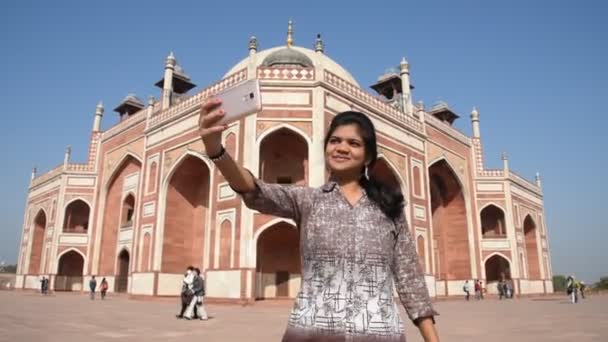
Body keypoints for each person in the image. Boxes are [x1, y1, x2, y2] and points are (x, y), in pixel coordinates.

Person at [199, 104, 439, 341]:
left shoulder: (389, 208)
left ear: (368, 156)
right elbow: (253, 189)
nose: (342, 148)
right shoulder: (308, 201)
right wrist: (216, 150)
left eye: (353, 143)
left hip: (378, 333)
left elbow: (411, 281)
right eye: (335, 141)